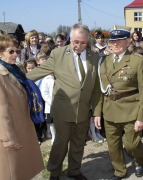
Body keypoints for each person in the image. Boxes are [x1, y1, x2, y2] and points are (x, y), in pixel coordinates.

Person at [27, 23, 101, 180]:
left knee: (79, 144)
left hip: (82, 110)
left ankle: (74, 170)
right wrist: (16, 78)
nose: (79, 46)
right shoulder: (58, 54)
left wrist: (96, 112)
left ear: (88, 41)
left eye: (83, 42)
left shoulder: (94, 57)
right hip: (62, 110)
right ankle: (54, 172)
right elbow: (40, 71)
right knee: (60, 144)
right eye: (76, 42)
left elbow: (95, 88)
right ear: (70, 38)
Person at [94, 25, 143, 180]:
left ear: (129, 41)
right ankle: (120, 171)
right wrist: (97, 113)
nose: (115, 44)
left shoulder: (138, 61)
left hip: (131, 110)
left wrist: (141, 117)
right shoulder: (103, 61)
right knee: (113, 146)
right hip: (109, 110)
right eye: (113, 41)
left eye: (120, 40)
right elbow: (100, 90)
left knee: (131, 144)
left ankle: (140, 160)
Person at [0, 34, 44, 180]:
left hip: (22, 126)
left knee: (23, 171)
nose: (15, 55)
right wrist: (10, 139)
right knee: (12, 173)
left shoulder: (15, 70)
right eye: (10, 51)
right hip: (12, 132)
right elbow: (2, 112)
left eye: (16, 51)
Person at [41, 73, 56, 144]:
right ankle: (54, 136)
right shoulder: (46, 80)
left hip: (62, 105)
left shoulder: (61, 77)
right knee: (52, 122)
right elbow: (44, 93)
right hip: (50, 106)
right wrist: (52, 103)